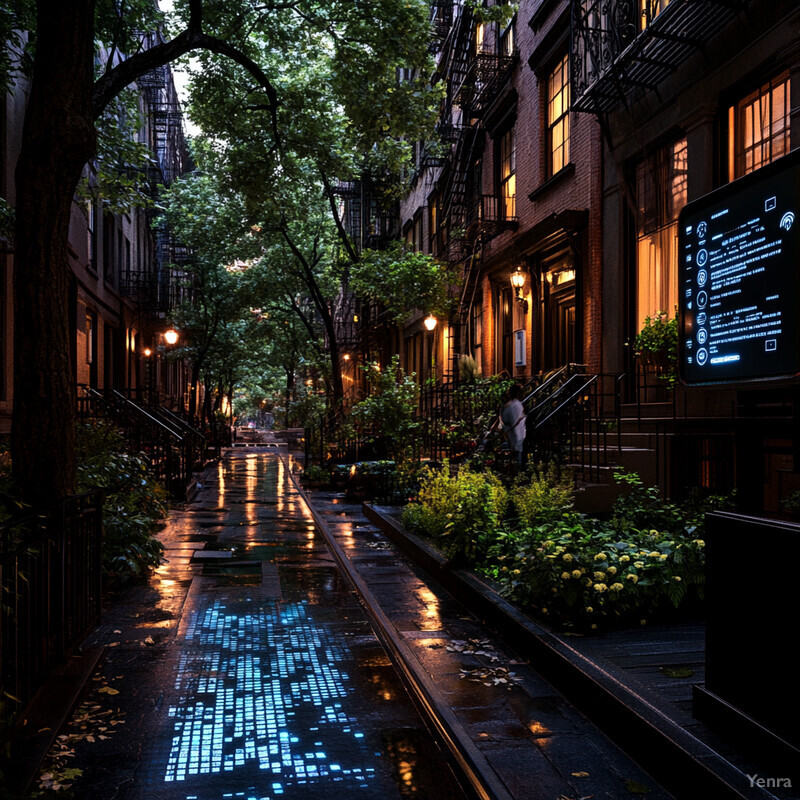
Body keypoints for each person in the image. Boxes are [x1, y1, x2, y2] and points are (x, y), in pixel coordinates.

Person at [501, 384, 526, 465]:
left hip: (513, 436)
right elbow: (516, 421)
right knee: (518, 458)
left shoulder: (509, 405)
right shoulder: (516, 405)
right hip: (517, 436)